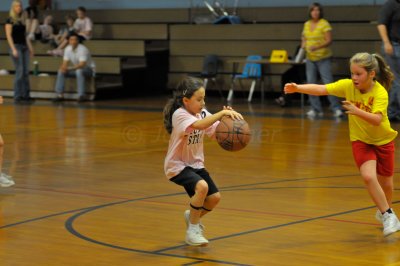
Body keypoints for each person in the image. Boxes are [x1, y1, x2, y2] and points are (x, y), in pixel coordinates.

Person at [284, 52, 400, 236]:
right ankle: (388, 215)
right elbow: (322, 89)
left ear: (371, 74)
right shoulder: (347, 86)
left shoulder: (380, 92)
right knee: (369, 177)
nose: (353, 78)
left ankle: (385, 211)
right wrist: (298, 88)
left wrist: (356, 110)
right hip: (361, 141)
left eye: (358, 74)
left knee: (386, 184)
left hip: (383, 140)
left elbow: (377, 120)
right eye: (352, 73)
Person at [163, 76, 243, 246]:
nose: (203, 103)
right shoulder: (180, 115)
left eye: (204, 98)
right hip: (177, 166)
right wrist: (221, 113)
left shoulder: (203, 113)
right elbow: (199, 125)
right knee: (202, 187)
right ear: (186, 100)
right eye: (199, 99)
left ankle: (191, 215)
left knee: (214, 198)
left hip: (196, 165)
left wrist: (228, 124)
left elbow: (215, 133)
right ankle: (192, 230)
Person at [302, 2, 342, 118]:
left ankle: (336, 108)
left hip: (323, 58)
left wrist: (317, 47)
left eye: (317, 10)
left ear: (320, 12)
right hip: (310, 58)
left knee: (328, 83)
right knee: (311, 83)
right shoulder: (306, 24)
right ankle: (316, 109)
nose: (315, 12)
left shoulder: (324, 24)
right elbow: (304, 38)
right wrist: (304, 45)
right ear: (310, 12)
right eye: (313, 10)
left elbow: (329, 40)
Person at [5, 0, 35, 103]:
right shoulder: (9, 20)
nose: (19, 8)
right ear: (13, 7)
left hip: (24, 47)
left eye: (20, 6)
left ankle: (26, 94)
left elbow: (25, 36)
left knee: (26, 71)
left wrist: (30, 48)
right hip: (16, 47)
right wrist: (13, 49)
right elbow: (8, 36)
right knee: (20, 70)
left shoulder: (22, 20)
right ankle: (17, 95)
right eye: (17, 6)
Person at [53, 32, 95, 102]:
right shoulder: (67, 49)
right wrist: (63, 68)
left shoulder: (83, 49)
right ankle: (60, 95)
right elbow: (65, 63)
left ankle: (81, 95)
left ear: (78, 41)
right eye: (71, 40)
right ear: (69, 41)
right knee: (60, 71)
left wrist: (69, 68)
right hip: (76, 69)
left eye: (75, 39)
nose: (73, 41)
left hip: (89, 70)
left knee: (79, 71)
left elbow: (82, 65)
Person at [377, 0, 400, 121]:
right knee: (397, 81)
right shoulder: (391, 4)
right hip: (393, 45)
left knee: (397, 83)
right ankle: (392, 112)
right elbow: (381, 24)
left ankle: (392, 112)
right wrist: (386, 42)